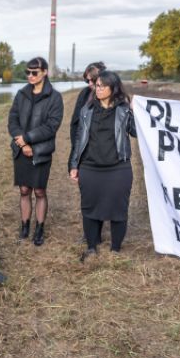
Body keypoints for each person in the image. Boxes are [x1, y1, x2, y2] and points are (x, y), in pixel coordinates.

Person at [68, 70, 136, 261]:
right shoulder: (87, 110)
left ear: (113, 88)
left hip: (118, 168)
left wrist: (136, 111)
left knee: (118, 210)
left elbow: (136, 132)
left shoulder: (124, 109)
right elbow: (80, 139)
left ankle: (115, 250)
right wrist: (74, 164)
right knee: (89, 208)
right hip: (90, 167)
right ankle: (91, 247)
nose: (97, 89)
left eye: (101, 86)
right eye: (96, 86)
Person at [7, 57, 64, 246]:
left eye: (34, 72)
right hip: (21, 150)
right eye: (28, 72)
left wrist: (29, 139)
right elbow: (12, 120)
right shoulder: (21, 94)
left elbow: (51, 126)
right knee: (24, 190)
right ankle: (25, 226)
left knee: (39, 191)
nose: (30, 76)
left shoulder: (55, 98)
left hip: (41, 151)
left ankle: (39, 229)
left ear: (45, 72)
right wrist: (22, 144)